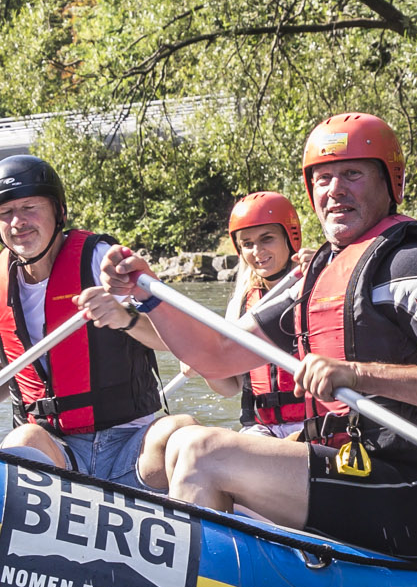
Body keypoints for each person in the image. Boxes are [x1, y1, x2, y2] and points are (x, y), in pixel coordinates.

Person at [101, 114, 417, 565]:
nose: (335, 189)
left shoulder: (415, 263)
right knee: (183, 449)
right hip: (355, 469)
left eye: (353, 174)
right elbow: (216, 358)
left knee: (202, 452)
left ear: (390, 182)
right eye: (323, 178)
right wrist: (151, 295)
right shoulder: (315, 274)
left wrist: (358, 375)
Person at [0, 154, 170, 487]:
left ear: (59, 212)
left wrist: (123, 317)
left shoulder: (102, 261)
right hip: (55, 448)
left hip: (133, 442)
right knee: (21, 440)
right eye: (6, 213)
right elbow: (1, 367)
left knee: (180, 432)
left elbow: (170, 338)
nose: (18, 222)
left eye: (29, 207)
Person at [132, 191, 314, 493]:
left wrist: (322, 267)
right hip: (261, 428)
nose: (257, 251)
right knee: (186, 447)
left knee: (208, 457)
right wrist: (206, 365)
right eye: (247, 244)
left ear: (290, 238)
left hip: (314, 427)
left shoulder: (317, 282)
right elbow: (229, 387)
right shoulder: (243, 301)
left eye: (267, 239)